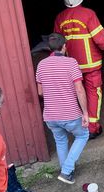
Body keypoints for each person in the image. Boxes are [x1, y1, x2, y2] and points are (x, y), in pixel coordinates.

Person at [54, 0, 104, 139]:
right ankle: (92, 128)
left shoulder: (60, 18)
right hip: (91, 65)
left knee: (77, 93)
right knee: (93, 94)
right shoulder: (88, 14)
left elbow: (57, 43)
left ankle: (78, 126)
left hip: (71, 66)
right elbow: (101, 40)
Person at [36, 32, 89, 184]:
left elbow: (41, 92)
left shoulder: (41, 65)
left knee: (60, 141)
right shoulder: (71, 63)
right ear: (64, 46)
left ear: (49, 48)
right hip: (70, 113)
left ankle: (66, 172)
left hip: (50, 116)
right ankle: (66, 171)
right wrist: (85, 112)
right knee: (82, 135)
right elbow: (79, 89)